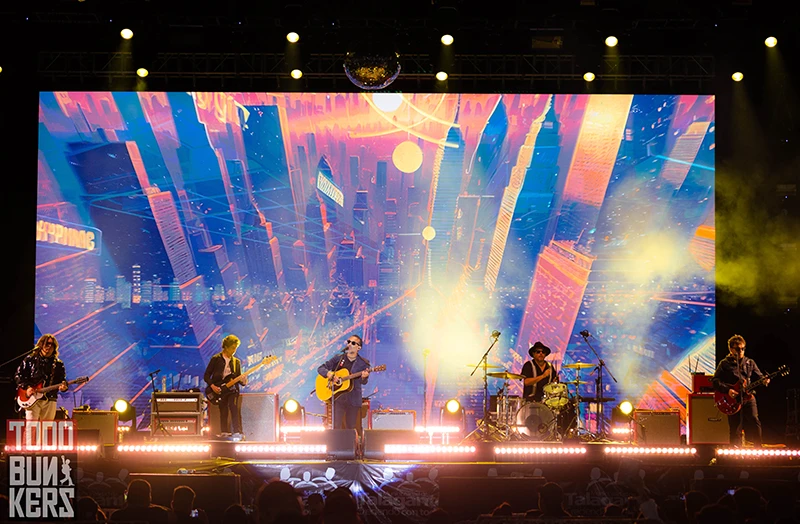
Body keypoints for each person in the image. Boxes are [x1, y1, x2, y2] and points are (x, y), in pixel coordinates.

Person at [712, 334, 768, 447]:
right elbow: (715, 381)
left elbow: (760, 376)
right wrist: (728, 390)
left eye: (743, 348)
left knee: (754, 420)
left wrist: (764, 381)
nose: (741, 351)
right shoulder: (724, 364)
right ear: (731, 349)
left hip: (748, 397)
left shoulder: (749, 363)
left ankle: (758, 448)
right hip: (732, 399)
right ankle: (734, 453)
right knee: (735, 427)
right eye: (738, 349)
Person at [317, 335, 370, 431]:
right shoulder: (338, 359)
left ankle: (350, 445)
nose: (350, 344)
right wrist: (329, 374)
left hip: (353, 400)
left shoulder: (363, 363)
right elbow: (321, 368)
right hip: (338, 398)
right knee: (336, 427)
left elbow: (364, 382)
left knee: (351, 428)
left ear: (359, 348)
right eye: (348, 342)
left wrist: (364, 377)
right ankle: (336, 446)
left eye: (353, 343)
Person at [15, 334, 69, 420]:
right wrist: (27, 387)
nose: (49, 346)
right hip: (32, 398)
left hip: (50, 398)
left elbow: (61, 380)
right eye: (47, 343)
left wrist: (63, 387)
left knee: (46, 429)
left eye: (52, 345)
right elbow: (19, 375)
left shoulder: (58, 364)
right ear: (41, 345)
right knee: (31, 428)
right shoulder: (30, 359)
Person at [204, 334, 247, 438]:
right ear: (226, 347)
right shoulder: (216, 359)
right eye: (232, 348)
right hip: (219, 389)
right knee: (223, 409)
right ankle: (224, 431)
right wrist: (213, 386)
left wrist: (244, 381)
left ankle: (237, 431)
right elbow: (206, 375)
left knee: (234, 407)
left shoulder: (236, 362)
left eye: (236, 348)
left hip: (232, 390)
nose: (234, 351)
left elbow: (238, 379)